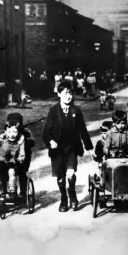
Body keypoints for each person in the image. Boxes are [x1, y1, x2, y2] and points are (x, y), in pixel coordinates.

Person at [41, 81, 94, 212]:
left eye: (70, 94)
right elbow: (45, 133)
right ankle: (64, 198)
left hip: (71, 148)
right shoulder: (53, 111)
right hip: (57, 150)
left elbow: (83, 131)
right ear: (59, 94)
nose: (68, 97)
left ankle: (73, 195)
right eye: (65, 94)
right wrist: (50, 142)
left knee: (70, 174)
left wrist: (89, 148)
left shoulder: (76, 110)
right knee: (60, 178)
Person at [1, 112, 35, 198]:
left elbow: (32, 141)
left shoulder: (25, 131)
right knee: (7, 171)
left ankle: (23, 191)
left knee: (21, 172)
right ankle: (10, 191)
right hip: (11, 156)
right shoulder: (9, 131)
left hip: (24, 155)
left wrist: (23, 142)